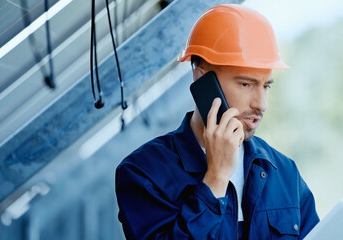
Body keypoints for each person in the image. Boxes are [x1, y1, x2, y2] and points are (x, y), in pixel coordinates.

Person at [115, 4, 319, 239]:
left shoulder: (283, 172)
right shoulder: (144, 173)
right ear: (203, 82)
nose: (261, 104)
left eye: (266, 86)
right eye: (246, 84)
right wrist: (215, 180)